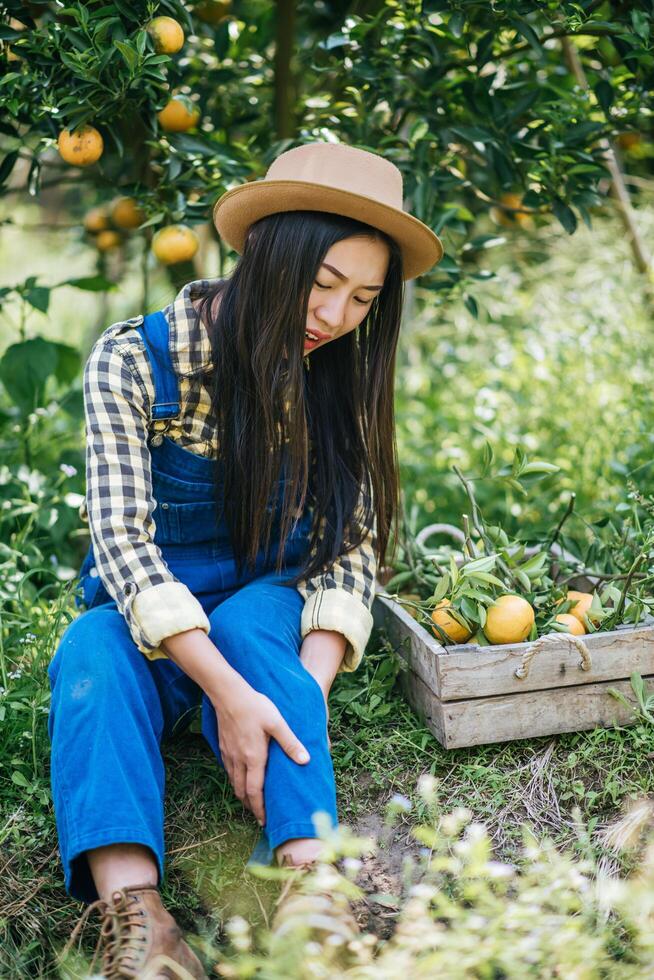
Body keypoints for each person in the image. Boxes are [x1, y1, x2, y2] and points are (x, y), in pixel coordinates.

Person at [48, 140, 443, 977]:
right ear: (262, 249)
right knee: (87, 653)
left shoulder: (333, 373)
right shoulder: (136, 361)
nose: (334, 318)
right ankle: (142, 923)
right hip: (155, 614)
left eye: (364, 298)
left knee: (255, 629)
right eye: (323, 282)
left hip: (263, 597)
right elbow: (122, 548)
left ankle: (313, 896)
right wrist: (228, 696)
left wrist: (293, 697)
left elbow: (347, 550)